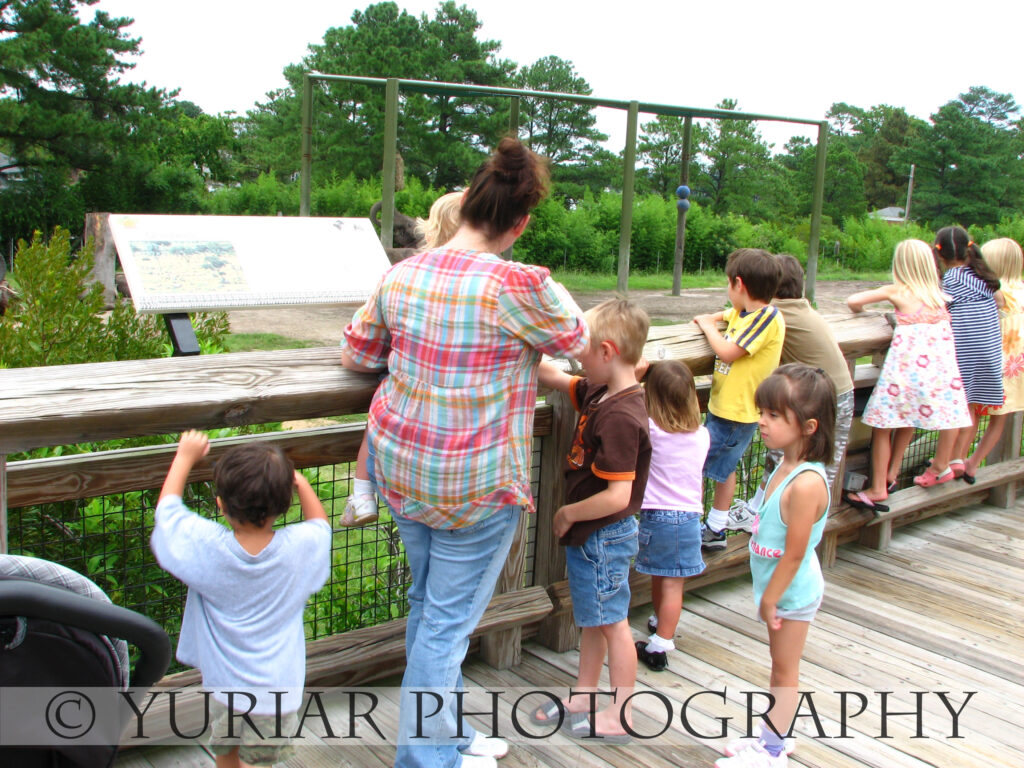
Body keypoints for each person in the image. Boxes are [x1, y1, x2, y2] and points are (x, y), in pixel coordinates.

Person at [341, 137, 588, 768]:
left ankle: (448, 738)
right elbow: (582, 342)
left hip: (402, 470)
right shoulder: (518, 285)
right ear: (521, 222)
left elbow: (357, 356)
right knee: (446, 630)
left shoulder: (401, 275)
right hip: (475, 488)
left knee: (431, 611)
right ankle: (427, 760)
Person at [150, 431, 331, 768]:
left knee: (226, 753)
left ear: (220, 504)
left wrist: (184, 458)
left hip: (225, 687)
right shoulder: (297, 550)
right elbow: (320, 526)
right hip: (276, 692)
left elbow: (169, 515)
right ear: (284, 502)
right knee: (259, 762)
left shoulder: (210, 549)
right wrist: (302, 484)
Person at [534, 298, 651, 742]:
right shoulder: (602, 390)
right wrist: (521, 352)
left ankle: (622, 712)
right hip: (594, 537)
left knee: (613, 623)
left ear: (606, 352)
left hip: (602, 534)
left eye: (580, 348)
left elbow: (617, 495)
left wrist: (568, 513)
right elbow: (556, 376)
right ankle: (584, 695)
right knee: (595, 617)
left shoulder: (621, 414)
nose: (575, 355)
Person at [715, 364, 834, 768]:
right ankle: (772, 734)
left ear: (809, 425)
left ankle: (772, 752)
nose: (761, 422)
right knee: (778, 668)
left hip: (791, 593)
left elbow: (796, 552)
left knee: (785, 672)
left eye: (773, 416)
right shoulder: (783, 465)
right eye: (762, 412)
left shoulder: (805, 483)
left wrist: (771, 598)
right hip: (778, 589)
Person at [341, 190, 465, 528]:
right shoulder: (482, 282)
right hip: (456, 432)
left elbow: (356, 351)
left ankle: (362, 492)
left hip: (405, 415)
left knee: (380, 409)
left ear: (430, 231)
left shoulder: (404, 275)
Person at [728, 254, 854, 531]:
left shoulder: (775, 314)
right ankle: (762, 512)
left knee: (806, 465)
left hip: (825, 399)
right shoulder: (801, 308)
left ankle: (789, 531)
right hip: (832, 394)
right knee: (789, 458)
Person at [845, 239, 971, 505]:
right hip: (936, 382)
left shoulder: (897, 291)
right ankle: (893, 472)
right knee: (908, 422)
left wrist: (867, 310)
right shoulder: (939, 297)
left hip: (903, 380)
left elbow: (853, 301)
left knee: (881, 429)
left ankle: (878, 487)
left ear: (900, 265)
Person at [693, 249, 784, 550]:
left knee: (694, 464)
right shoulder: (746, 314)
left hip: (737, 413)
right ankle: (715, 527)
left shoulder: (768, 317)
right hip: (724, 408)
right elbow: (729, 314)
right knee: (725, 467)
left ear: (739, 284)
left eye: (728, 284)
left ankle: (695, 524)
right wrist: (713, 316)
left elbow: (729, 351)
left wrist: (707, 326)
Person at [634, 359, 709, 672]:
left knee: (661, 577)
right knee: (672, 582)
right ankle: (659, 621)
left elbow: (625, 397)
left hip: (658, 517)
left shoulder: (652, 432)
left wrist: (637, 373)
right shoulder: (702, 435)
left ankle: (661, 643)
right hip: (690, 518)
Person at [931, 225, 1004, 485]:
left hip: (963, 354)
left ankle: (944, 462)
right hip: (990, 351)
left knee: (955, 406)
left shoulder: (950, 281)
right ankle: (957, 458)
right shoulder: (985, 277)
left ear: (938, 252)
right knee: (971, 405)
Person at [963, 238, 1024, 479]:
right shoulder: (1021, 291)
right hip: (1016, 369)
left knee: (973, 413)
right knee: (999, 419)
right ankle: (974, 463)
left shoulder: (994, 293)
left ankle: (955, 459)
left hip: (992, 365)